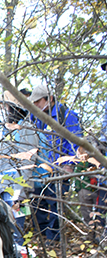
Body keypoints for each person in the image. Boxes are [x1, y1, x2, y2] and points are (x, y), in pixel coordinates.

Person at [28, 83, 82, 241]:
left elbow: (75, 141)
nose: (35, 105)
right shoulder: (35, 117)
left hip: (60, 168)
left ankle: (54, 240)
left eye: (38, 101)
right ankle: (42, 237)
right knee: (38, 202)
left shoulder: (67, 115)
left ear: (49, 99)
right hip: (41, 168)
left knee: (56, 205)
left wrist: (69, 165)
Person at [0, 90, 40, 245]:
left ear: (16, 109)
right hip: (2, 189)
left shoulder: (26, 129)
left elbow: (27, 164)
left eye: (6, 107)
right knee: (1, 233)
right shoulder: (5, 131)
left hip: (16, 193)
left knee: (16, 232)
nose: (4, 111)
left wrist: (20, 195)